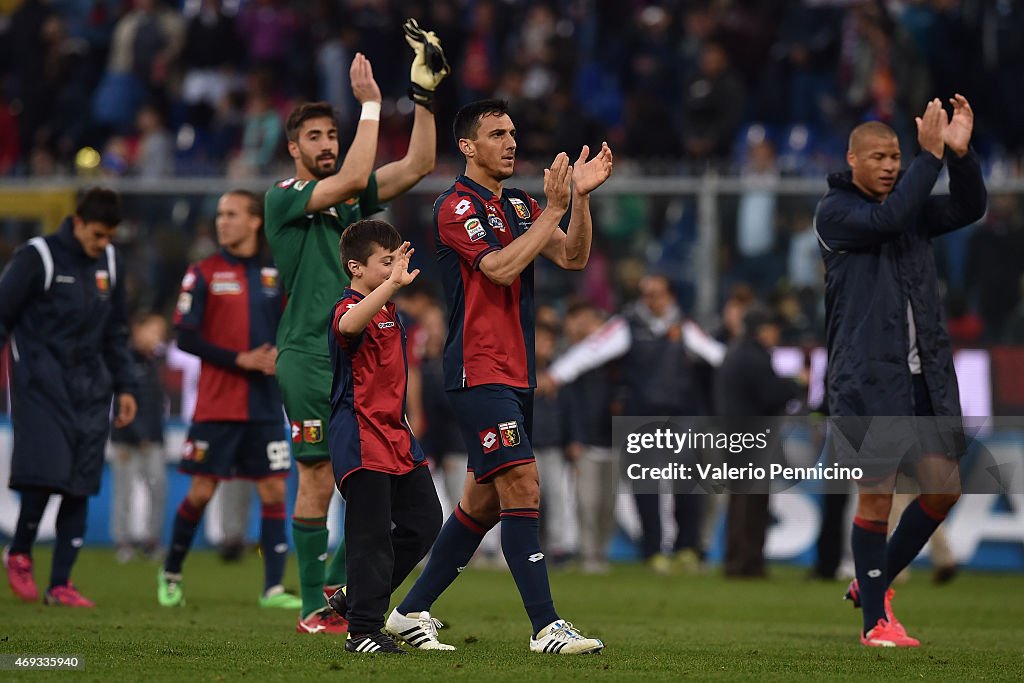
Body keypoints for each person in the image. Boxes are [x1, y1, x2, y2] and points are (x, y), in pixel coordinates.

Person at [388, 98, 613, 654]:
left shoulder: (518, 203)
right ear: (467, 145)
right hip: (477, 370)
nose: (511, 142)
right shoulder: (454, 206)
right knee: (523, 485)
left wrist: (577, 201)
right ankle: (546, 627)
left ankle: (409, 612)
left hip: (517, 373)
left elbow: (573, 257)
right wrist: (551, 211)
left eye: (513, 132)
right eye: (497, 134)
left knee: (483, 505)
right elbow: (498, 266)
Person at [264, 20, 451, 634]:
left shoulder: (352, 202)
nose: (325, 142)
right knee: (320, 473)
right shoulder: (286, 195)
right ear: (294, 148)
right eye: (315, 136)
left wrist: (422, 96)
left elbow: (421, 162)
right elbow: (346, 177)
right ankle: (313, 607)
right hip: (308, 352)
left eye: (332, 133)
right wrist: (371, 105)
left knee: (369, 487)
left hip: (360, 354)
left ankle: (345, 598)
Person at [815, 95, 986, 647]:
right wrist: (927, 157)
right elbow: (887, 219)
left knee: (943, 490)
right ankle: (875, 625)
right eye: (881, 157)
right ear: (853, 160)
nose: (891, 165)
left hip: (923, 375)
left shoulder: (906, 209)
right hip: (867, 378)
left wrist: (957, 157)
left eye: (896, 155)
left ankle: (872, 582)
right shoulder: (836, 213)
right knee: (877, 497)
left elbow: (968, 209)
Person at [158, 189, 300, 610]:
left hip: (263, 406)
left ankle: (273, 588)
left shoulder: (277, 272)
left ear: (255, 221)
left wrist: (281, 355)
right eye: (220, 214)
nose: (223, 222)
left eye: (232, 214)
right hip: (217, 405)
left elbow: (292, 326)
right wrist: (240, 359)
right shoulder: (202, 272)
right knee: (201, 491)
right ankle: (171, 574)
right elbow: (184, 334)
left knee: (274, 491)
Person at [1, 187, 138, 606]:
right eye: (97, 235)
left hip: (91, 388)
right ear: (77, 222)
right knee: (47, 475)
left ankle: (61, 583)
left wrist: (126, 385)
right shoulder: (36, 257)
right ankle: (21, 552)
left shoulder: (110, 262)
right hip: (40, 386)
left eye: (109, 237)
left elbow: (116, 330)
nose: (103, 245)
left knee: (80, 483)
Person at [325, 221, 446, 654]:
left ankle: (352, 598)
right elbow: (348, 327)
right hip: (361, 435)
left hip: (396, 434)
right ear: (355, 268)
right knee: (369, 536)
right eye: (386, 261)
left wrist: (391, 286)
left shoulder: (391, 312)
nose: (396, 269)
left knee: (427, 520)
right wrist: (392, 286)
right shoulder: (348, 308)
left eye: (398, 259)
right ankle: (362, 631)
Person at [713, 306, 805, 578]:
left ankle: (736, 559)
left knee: (740, 502)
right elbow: (771, 396)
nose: (775, 333)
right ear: (760, 329)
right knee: (752, 504)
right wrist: (795, 384)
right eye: (771, 327)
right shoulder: (754, 357)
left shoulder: (735, 352)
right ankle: (748, 563)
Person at [110, 312, 169, 564]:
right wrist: (140, 435)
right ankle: (123, 542)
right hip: (127, 440)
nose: (159, 337)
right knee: (124, 492)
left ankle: (151, 541)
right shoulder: (124, 360)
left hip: (152, 439)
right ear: (138, 330)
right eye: (154, 331)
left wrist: (155, 435)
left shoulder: (151, 361)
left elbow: (153, 404)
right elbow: (121, 402)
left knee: (159, 489)